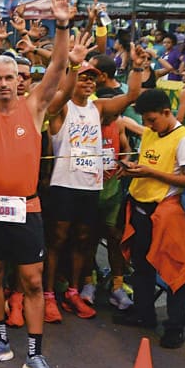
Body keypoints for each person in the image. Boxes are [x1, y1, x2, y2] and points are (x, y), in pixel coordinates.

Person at [0, 0, 70, 368]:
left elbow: (59, 67)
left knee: (32, 281)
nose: (5, 84)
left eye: (10, 77)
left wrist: (62, 25)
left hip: (26, 209)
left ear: (19, 79)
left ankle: (35, 353)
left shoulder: (35, 106)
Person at [43, 39, 141, 320]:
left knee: (84, 240)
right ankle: (49, 294)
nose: (88, 82)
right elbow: (61, 91)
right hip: (64, 186)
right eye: (83, 77)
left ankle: (74, 291)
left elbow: (132, 95)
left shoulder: (98, 109)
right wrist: (74, 64)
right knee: (57, 240)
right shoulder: (61, 107)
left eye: (92, 78)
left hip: (90, 186)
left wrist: (137, 65)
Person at [115, 89, 185, 349]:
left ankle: (175, 326)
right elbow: (148, 158)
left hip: (165, 211)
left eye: (152, 120)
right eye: (146, 121)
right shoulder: (152, 131)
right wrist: (131, 168)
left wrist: (149, 172)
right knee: (141, 266)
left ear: (166, 112)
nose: (148, 126)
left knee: (173, 268)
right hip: (140, 208)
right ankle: (144, 313)